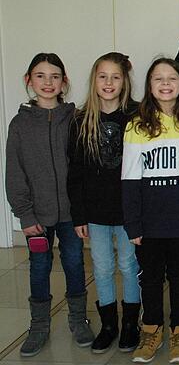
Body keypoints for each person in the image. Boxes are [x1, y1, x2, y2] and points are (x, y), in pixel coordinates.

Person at [6, 53, 93, 357]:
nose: (47, 82)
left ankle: (78, 319)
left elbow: (84, 167)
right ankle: (39, 325)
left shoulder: (75, 118)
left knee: (73, 263)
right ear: (28, 80)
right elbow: (14, 174)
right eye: (40, 76)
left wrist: (84, 209)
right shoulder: (19, 125)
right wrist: (25, 215)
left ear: (64, 82)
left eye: (54, 76)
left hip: (70, 215)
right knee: (39, 268)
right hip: (37, 217)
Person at [122, 58, 179, 363]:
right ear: (149, 86)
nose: (165, 84)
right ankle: (151, 329)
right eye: (158, 79)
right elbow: (129, 180)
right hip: (150, 223)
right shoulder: (137, 125)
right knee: (150, 278)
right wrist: (133, 224)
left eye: (172, 78)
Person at [67, 52, 140, 354]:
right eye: (103, 76)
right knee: (102, 267)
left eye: (115, 76)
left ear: (124, 81)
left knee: (128, 263)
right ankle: (109, 324)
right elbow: (76, 172)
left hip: (127, 209)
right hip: (95, 210)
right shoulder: (81, 120)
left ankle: (131, 324)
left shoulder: (137, 115)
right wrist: (78, 214)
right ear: (94, 80)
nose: (109, 82)